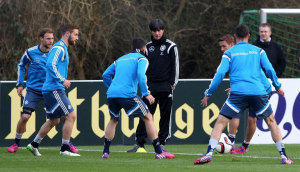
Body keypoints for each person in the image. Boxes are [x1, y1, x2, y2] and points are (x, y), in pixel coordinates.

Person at [194, 24, 294, 165]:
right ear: (249, 36)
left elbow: (220, 74)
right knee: (271, 122)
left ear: (235, 37)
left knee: (221, 122)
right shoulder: (258, 51)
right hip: (258, 93)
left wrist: (208, 93)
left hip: (238, 94)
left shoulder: (229, 53)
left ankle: (209, 153)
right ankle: (284, 156)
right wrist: (277, 86)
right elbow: (270, 69)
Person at [7, 28, 79, 154]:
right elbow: (21, 65)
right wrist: (19, 84)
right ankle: (16, 143)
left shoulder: (54, 51)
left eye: (52, 38)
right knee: (25, 117)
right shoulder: (31, 52)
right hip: (35, 90)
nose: (51, 41)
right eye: (48, 38)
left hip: (48, 88)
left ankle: (64, 142)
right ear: (41, 38)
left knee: (60, 117)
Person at [101, 38, 175, 159]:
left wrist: (113, 87)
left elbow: (105, 75)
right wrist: (146, 93)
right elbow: (141, 75)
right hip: (127, 95)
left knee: (113, 120)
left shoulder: (120, 59)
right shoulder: (142, 58)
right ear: (143, 48)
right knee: (148, 117)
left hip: (112, 95)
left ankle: (105, 152)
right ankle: (158, 151)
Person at [26, 23, 80, 156]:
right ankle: (65, 149)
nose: (77, 38)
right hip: (54, 89)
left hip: (51, 89)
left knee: (54, 120)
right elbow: (50, 65)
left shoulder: (61, 48)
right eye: (76, 34)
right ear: (67, 34)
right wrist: (62, 79)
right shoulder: (59, 48)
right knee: (71, 115)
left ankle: (34, 144)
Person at [127, 19, 179, 153]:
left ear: (163, 30)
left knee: (165, 116)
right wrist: (144, 86)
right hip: (150, 87)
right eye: (154, 30)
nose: (157, 33)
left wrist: (172, 84)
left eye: (159, 30)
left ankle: (162, 142)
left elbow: (175, 67)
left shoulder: (171, 46)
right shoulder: (147, 47)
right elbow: (142, 68)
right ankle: (140, 143)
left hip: (165, 86)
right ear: (151, 31)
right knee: (145, 114)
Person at [218, 34, 271, 154]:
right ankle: (230, 142)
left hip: (261, 89)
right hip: (247, 89)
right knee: (234, 113)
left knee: (252, 119)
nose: (222, 49)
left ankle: (244, 146)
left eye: (224, 46)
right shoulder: (231, 55)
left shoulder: (237, 53)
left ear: (232, 45)